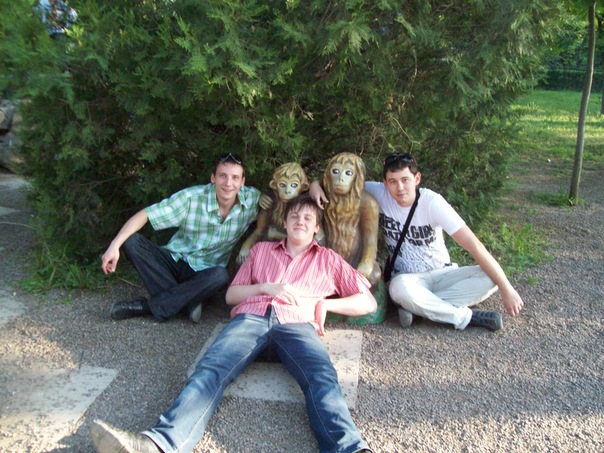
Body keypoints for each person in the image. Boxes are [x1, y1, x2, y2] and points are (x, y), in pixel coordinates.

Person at [90, 195, 377, 453]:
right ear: (285, 222)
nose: (300, 221)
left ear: (316, 227)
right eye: (294, 216)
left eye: (307, 218)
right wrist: (265, 288)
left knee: (322, 376)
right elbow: (231, 296)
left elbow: (368, 302)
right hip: (251, 319)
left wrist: (326, 305)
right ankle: (159, 444)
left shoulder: (328, 259)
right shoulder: (261, 251)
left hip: (298, 324)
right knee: (210, 369)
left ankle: (349, 448)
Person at [311, 152, 524, 331]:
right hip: (408, 279)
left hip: (443, 273)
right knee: (399, 289)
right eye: (393, 182)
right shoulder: (378, 194)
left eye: (405, 180)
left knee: (490, 278)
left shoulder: (433, 203)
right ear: (384, 183)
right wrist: (314, 186)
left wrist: (508, 290)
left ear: (417, 178)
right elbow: (338, 182)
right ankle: (463, 317)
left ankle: (417, 308)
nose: (400, 188)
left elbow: (474, 246)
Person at [101, 153, 260, 323]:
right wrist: (114, 245)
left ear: (242, 182)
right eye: (222, 176)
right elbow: (146, 215)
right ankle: (187, 302)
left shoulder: (252, 200)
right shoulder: (191, 198)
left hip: (204, 274)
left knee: (220, 276)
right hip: (175, 261)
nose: (228, 183)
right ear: (213, 178)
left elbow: (275, 207)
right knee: (131, 241)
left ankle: (147, 306)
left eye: (235, 178)